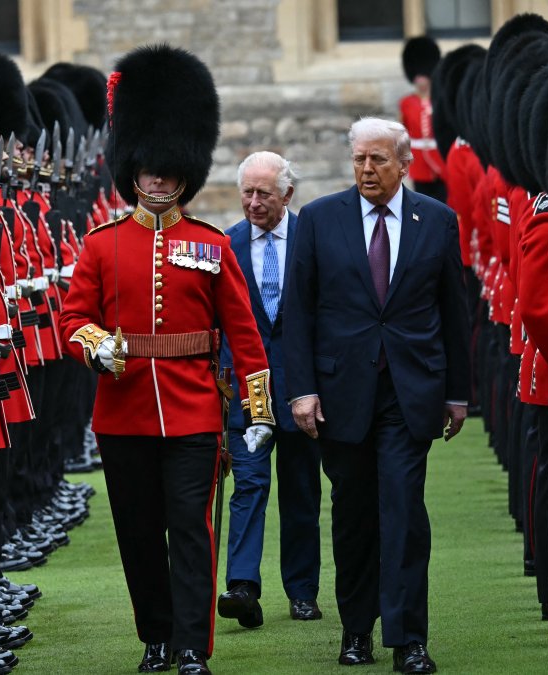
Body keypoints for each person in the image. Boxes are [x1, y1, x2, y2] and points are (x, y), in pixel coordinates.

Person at [60, 44, 275, 675]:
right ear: (133, 169)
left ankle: (190, 646)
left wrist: (258, 411)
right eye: (146, 170)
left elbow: (244, 333)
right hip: (122, 415)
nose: (155, 178)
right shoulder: (101, 246)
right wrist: (95, 345)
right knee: (138, 536)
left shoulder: (209, 245)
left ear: (185, 171)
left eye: (166, 170)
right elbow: (72, 319)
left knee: (190, 531)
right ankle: (154, 636)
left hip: (193, 416)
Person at [285, 117, 470, 674]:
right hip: (341, 394)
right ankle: (357, 632)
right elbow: (299, 312)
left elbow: (453, 313)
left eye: (379, 160)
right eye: (360, 159)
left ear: (404, 163)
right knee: (354, 516)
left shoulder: (436, 221)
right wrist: (302, 391)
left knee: (405, 514)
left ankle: (409, 638)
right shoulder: (319, 219)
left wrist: (458, 393)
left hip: (410, 392)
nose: (367, 169)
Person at [216, 151, 322, 629]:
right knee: (250, 486)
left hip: (302, 391)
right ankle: (242, 587)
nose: (254, 202)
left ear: (287, 196)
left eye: (264, 194)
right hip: (246, 393)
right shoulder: (226, 245)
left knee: (301, 492)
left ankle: (302, 591)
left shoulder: (311, 239)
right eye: (247, 192)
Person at [400, 37, 446, 203]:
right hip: (419, 162)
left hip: (441, 160)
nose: (421, 82)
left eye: (424, 77)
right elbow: (403, 133)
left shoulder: (440, 100)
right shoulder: (406, 103)